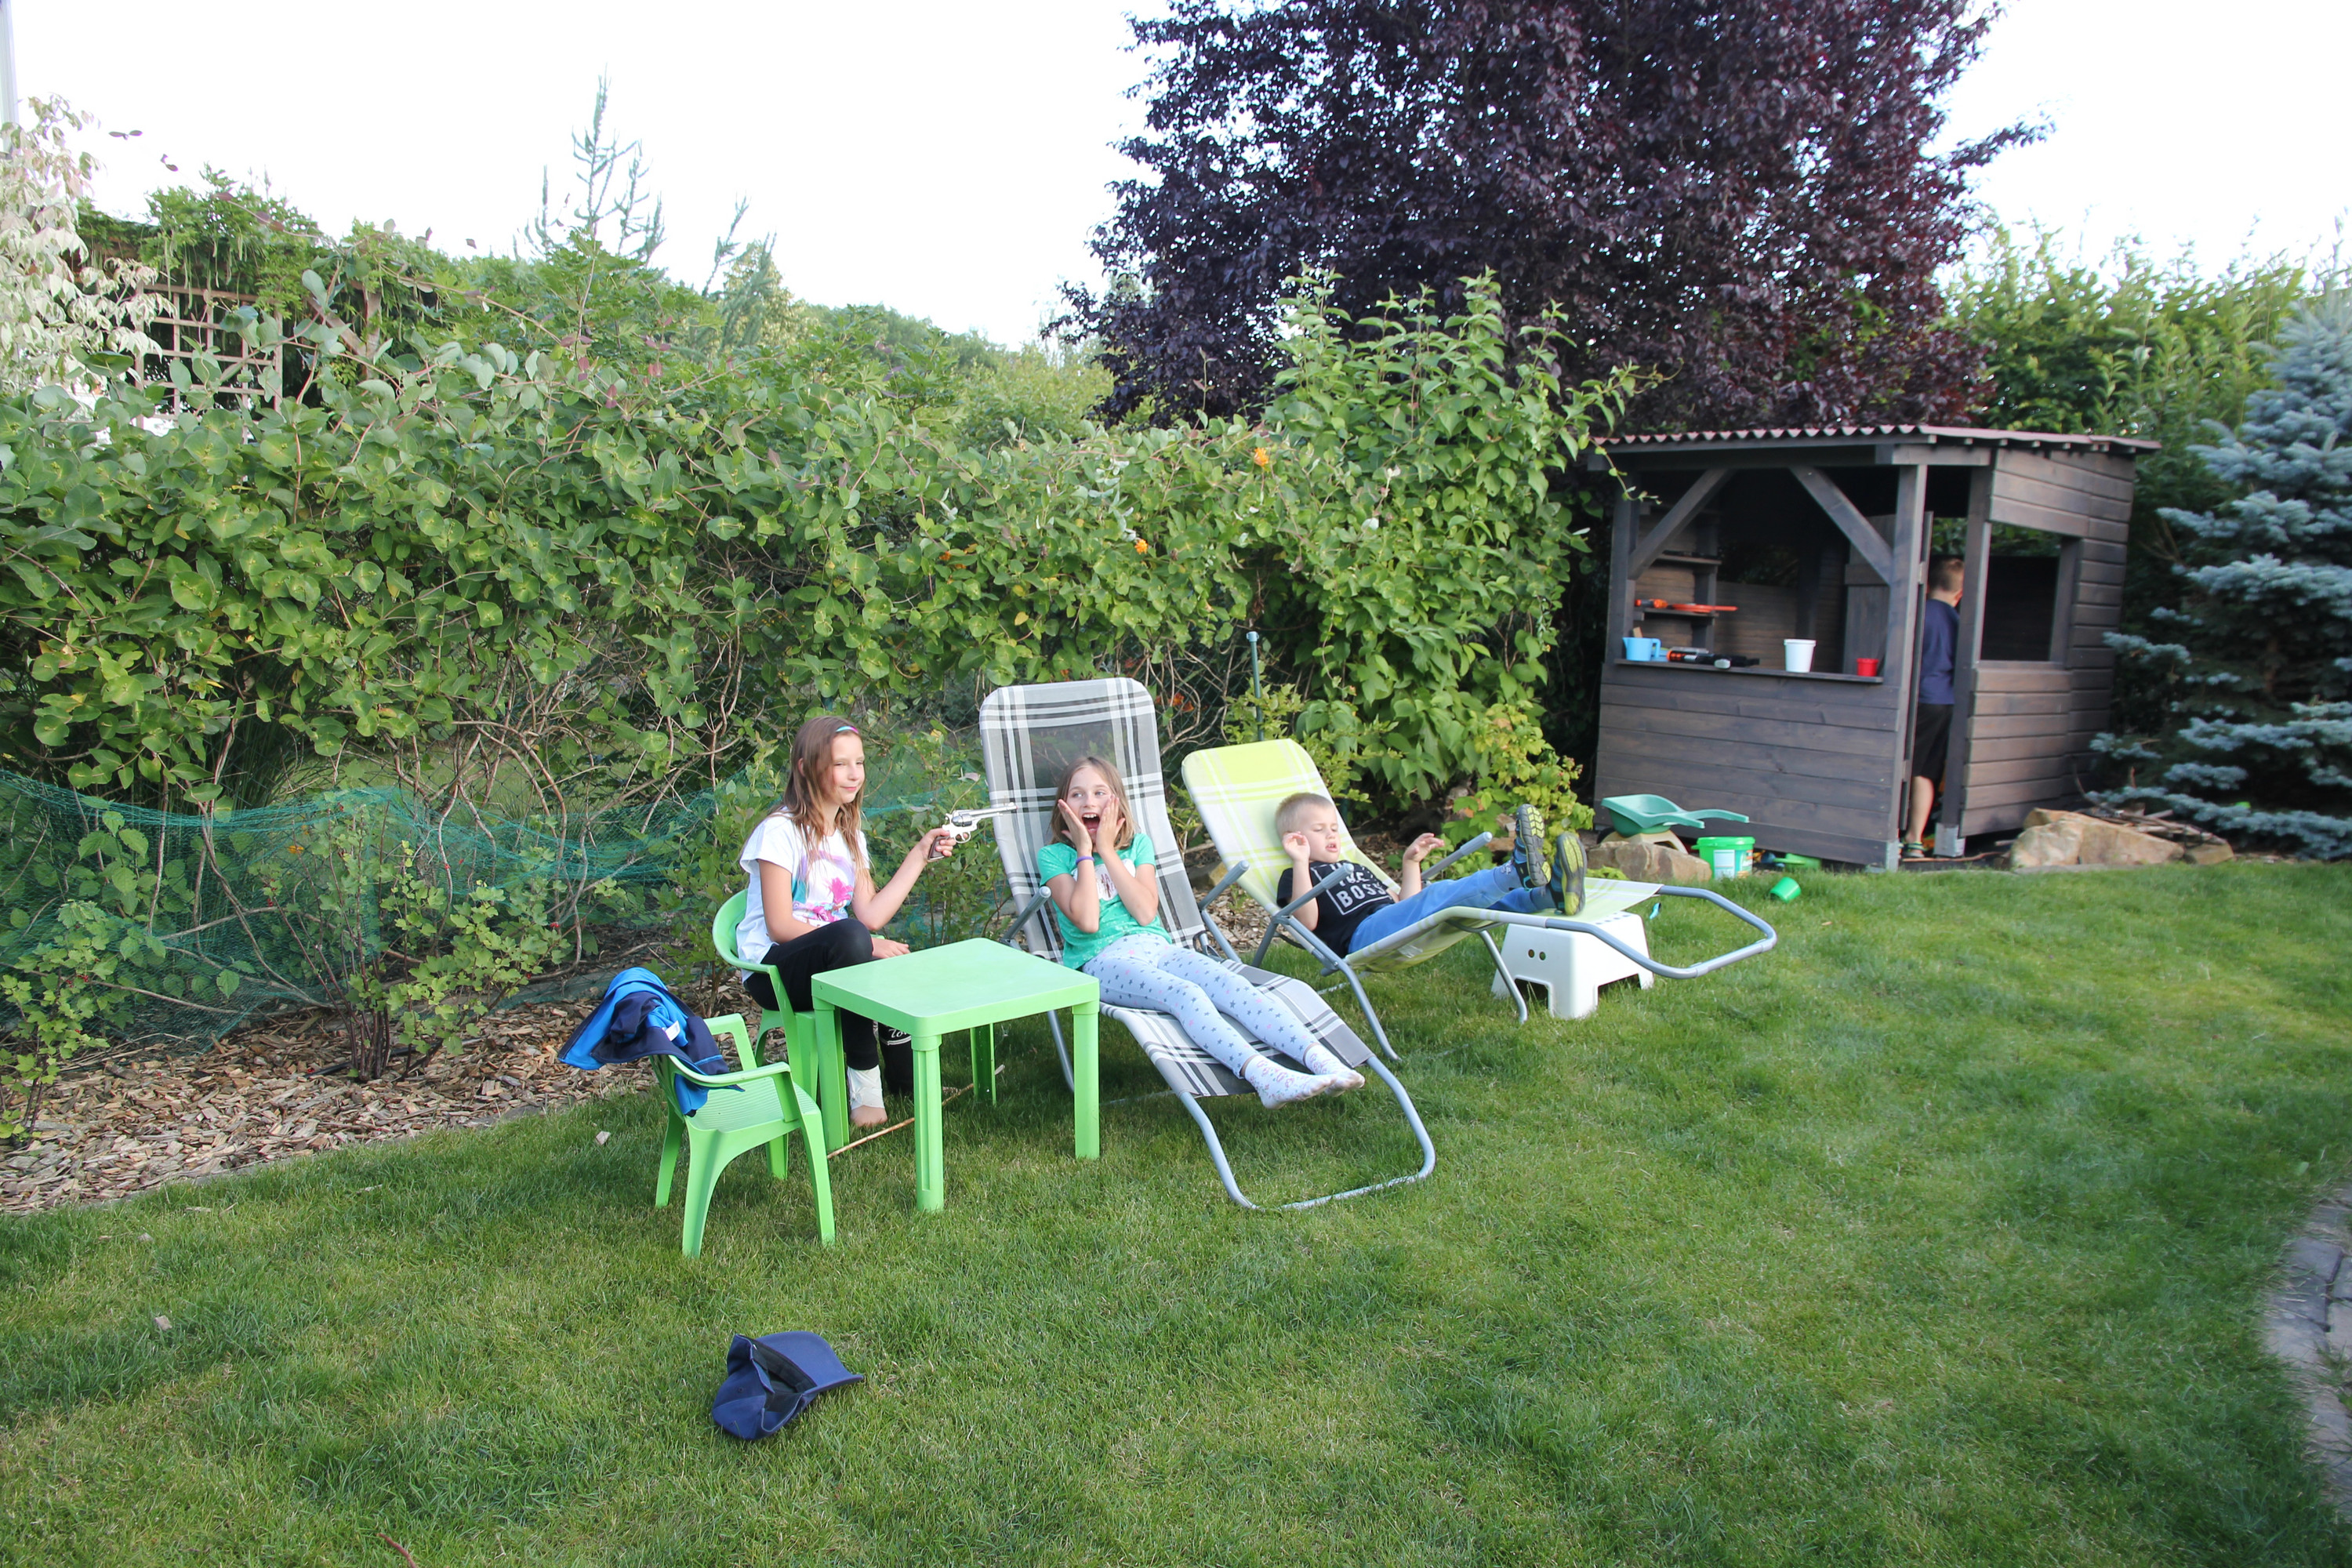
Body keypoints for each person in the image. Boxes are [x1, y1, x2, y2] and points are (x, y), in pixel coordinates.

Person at [1038, 754, 1361, 1108]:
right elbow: (1088, 922)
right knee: (1186, 994)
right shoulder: (1054, 857)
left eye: (1100, 793)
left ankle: (1321, 1060)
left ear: (1117, 803)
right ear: (1064, 807)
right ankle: (1264, 1077)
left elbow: (1145, 913)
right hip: (1101, 961)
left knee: (1232, 984)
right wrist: (1087, 853)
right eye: (1078, 794)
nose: (1089, 802)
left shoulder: (1138, 847)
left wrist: (1108, 851)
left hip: (1158, 947)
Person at [736, 716, 959, 1129]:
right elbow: (780, 925)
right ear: (806, 768)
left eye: (859, 763)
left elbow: (870, 914)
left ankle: (906, 1081)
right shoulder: (779, 832)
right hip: (774, 969)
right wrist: (867, 944)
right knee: (856, 945)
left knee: (885, 959)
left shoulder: (848, 833)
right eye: (841, 764)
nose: (855, 774)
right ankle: (865, 1094)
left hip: (837, 954)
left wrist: (919, 855)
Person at [1274, 799, 1574, 958]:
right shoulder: (1297, 875)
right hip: (1362, 937)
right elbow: (1306, 922)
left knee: (1458, 907)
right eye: (1319, 830)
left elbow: (1406, 903)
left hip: (1390, 922)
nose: (1331, 835)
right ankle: (1512, 872)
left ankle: (1545, 896)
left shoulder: (1357, 868)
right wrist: (1300, 861)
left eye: (1334, 828)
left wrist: (1411, 862)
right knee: (1438, 894)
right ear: (1295, 838)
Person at [1904, 554, 1965, 858]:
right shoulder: (1960, 623)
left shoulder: (1919, 614)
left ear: (1927, 585)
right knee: (1925, 771)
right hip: (1946, 702)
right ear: (1960, 593)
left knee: (1904, 766)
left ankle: (1891, 834)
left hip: (1919, 700)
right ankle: (1914, 840)